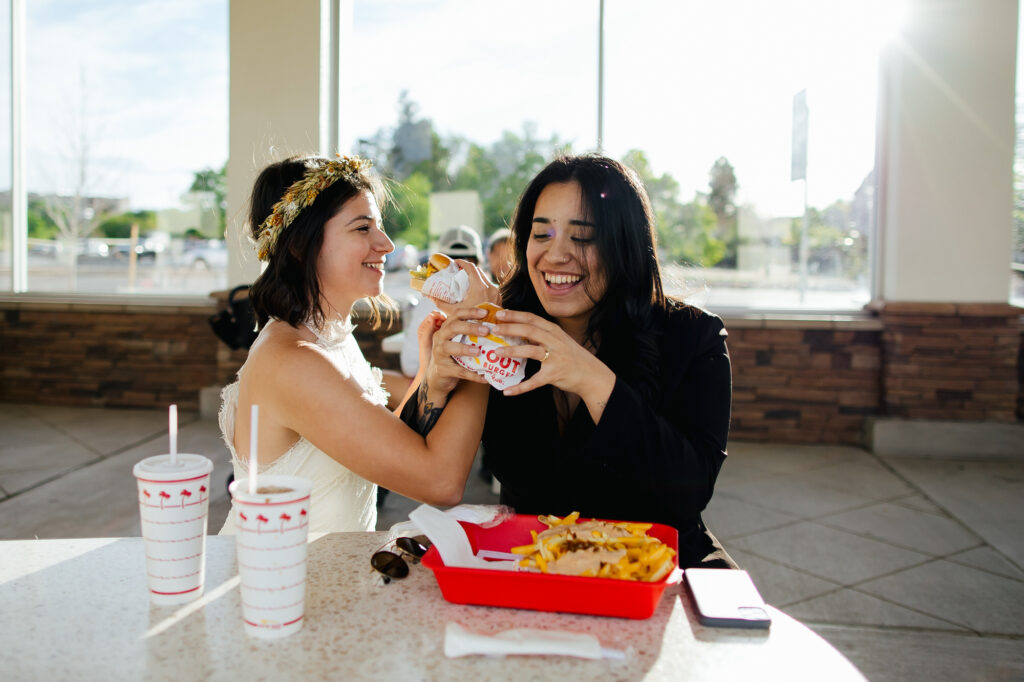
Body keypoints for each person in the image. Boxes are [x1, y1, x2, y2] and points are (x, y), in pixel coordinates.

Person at [406, 153, 736, 568]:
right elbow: (415, 463)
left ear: (625, 244)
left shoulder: (692, 336)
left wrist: (590, 379)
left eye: (583, 237)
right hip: (533, 563)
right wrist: (434, 381)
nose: (555, 256)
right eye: (541, 235)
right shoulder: (498, 329)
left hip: (652, 570)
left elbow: (688, 492)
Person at [217, 154, 495, 535]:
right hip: (277, 581)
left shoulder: (328, 335)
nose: (387, 244)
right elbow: (440, 482)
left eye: (379, 226)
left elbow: (385, 439)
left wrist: (436, 373)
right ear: (301, 244)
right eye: (363, 228)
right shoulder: (292, 360)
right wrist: (480, 337)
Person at [399, 225, 484, 379]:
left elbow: (409, 366)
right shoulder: (496, 298)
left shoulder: (427, 302)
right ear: (479, 264)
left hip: (433, 385)